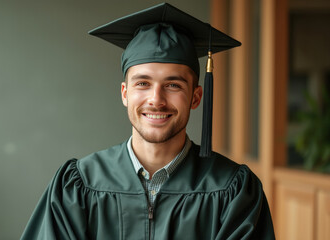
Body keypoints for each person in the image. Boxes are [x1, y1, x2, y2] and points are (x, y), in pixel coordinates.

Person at [21, 3, 275, 240]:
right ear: (125, 93)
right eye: (143, 83)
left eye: (173, 85)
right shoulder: (79, 186)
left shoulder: (233, 190)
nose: (156, 99)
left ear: (196, 97)